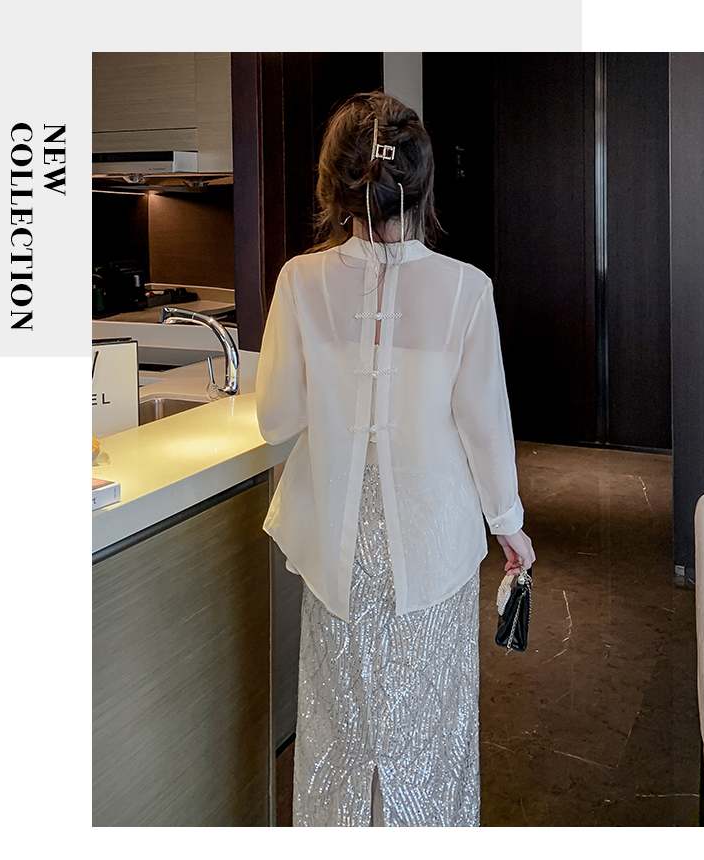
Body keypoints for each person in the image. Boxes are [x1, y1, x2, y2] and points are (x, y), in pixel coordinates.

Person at [255, 91, 535, 827]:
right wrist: (508, 525)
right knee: (428, 734)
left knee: (340, 736)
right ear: (423, 181)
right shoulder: (466, 289)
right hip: (435, 540)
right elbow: (484, 424)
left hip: (336, 551)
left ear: (335, 184)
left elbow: (276, 419)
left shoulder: (299, 281)